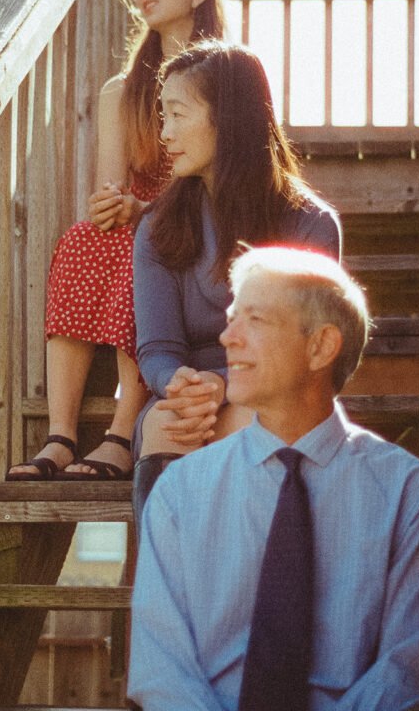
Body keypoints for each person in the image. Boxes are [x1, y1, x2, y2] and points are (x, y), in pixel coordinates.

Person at [128, 246, 419, 711]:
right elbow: (160, 672)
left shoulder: (408, 493)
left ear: (320, 346)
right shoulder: (179, 492)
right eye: (232, 318)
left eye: (254, 319)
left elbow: (409, 669)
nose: (227, 337)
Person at [6, 0, 228, 481]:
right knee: (84, 239)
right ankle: (60, 435)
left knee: (145, 241)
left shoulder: (228, 78)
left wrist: (144, 209)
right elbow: (111, 185)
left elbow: (230, 180)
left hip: (203, 221)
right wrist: (111, 204)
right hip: (140, 220)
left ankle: (122, 433)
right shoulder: (120, 91)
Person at [130, 40, 342, 511]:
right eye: (163, 116)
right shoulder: (158, 226)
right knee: (166, 423)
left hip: (276, 387)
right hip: (188, 392)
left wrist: (225, 385)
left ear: (226, 117)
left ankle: (252, 582)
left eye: (178, 114)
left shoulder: (308, 222)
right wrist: (181, 385)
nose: (165, 133)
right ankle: (167, 586)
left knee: (251, 419)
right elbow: (158, 348)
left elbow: (300, 349)